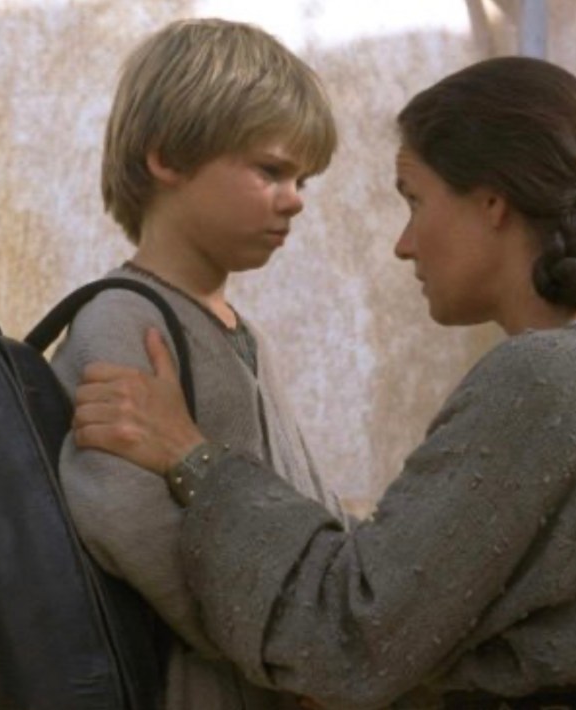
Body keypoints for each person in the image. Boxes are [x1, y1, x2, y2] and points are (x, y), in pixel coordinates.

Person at [70, 56, 576, 710]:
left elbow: (354, 632)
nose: (404, 243)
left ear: (492, 202)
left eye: (415, 201)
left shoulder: (545, 377)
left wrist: (193, 459)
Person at [51, 18, 342, 710]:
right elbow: (127, 521)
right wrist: (285, 648)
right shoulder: (123, 321)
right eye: (271, 170)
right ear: (168, 158)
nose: (295, 199)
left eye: (302, 179)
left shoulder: (246, 333)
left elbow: (298, 501)